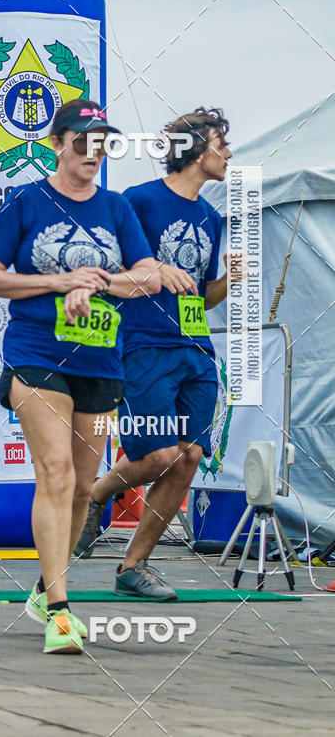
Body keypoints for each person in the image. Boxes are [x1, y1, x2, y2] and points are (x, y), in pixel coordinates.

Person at [0, 98, 160, 653]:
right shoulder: (27, 201)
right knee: (53, 471)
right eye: (82, 140)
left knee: (82, 484)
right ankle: (59, 611)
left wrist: (98, 282)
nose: (93, 151)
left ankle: (44, 583)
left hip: (100, 360)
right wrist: (59, 283)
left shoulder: (117, 208)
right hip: (37, 354)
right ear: (57, 144)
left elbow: (148, 276)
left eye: (101, 142)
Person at [75, 106, 248, 600]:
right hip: (144, 345)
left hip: (196, 348)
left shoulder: (212, 217)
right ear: (196, 149)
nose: (230, 153)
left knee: (189, 457)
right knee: (157, 455)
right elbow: (103, 274)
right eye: (222, 142)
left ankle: (135, 565)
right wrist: (151, 275)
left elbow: (199, 296)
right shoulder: (138, 202)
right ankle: (98, 495)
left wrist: (226, 282)